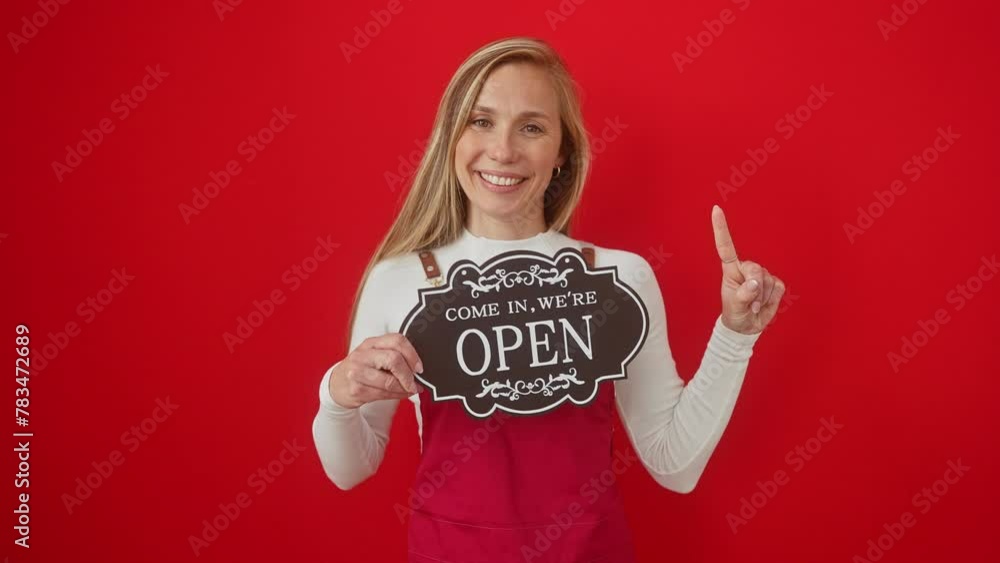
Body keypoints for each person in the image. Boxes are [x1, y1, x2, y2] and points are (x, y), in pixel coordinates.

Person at [312, 36, 785, 562]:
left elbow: (674, 465)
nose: (503, 150)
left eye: (531, 127)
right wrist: (337, 395)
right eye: (481, 120)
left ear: (562, 152)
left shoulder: (617, 278)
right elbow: (350, 469)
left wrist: (735, 335)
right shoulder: (398, 280)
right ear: (452, 137)